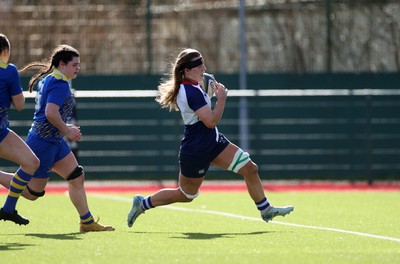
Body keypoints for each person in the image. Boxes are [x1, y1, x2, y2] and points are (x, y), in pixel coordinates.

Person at [127, 48, 294, 228]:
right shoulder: (192, 92)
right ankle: (142, 203)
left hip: (213, 142)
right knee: (186, 195)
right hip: (197, 148)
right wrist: (221, 99)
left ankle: (265, 209)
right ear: (187, 71)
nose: (204, 68)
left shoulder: (194, 85)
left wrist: (210, 89)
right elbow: (211, 121)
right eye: (199, 66)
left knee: (250, 168)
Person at [1, 44, 114, 232]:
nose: (78, 68)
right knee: (32, 193)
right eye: (74, 64)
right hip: (43, 143)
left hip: (54, 141)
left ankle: (87, 222)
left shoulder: (52, 79)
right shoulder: (59, 84)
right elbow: (51, 113)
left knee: (77, 177)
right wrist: (68, 130)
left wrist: (64, 131)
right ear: (62, 64)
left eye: (79, 64)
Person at [0, 33, 40, 225]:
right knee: (31, 163)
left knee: (31, 162)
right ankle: (8, 208)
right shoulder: (9, 70)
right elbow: (20, 104)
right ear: (5, 51)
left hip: (1, 132)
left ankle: (8, 210)